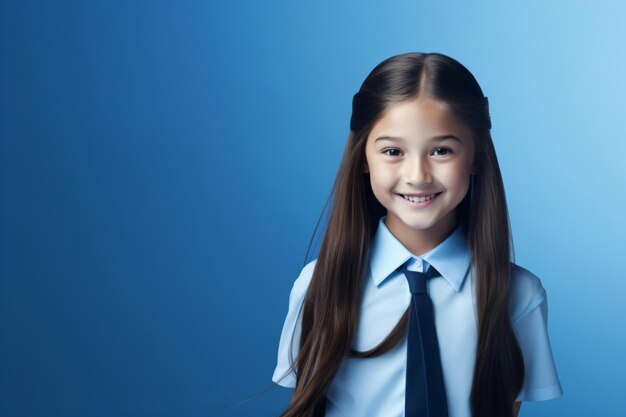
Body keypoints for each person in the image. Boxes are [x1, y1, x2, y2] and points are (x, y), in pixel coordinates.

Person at [271, 52, 563, 417]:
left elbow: (508, 408)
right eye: (393, 151)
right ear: (363, 157)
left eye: (441, 150)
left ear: (476, 157)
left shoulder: (517, 295)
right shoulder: (318, 285)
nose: (418, 175)